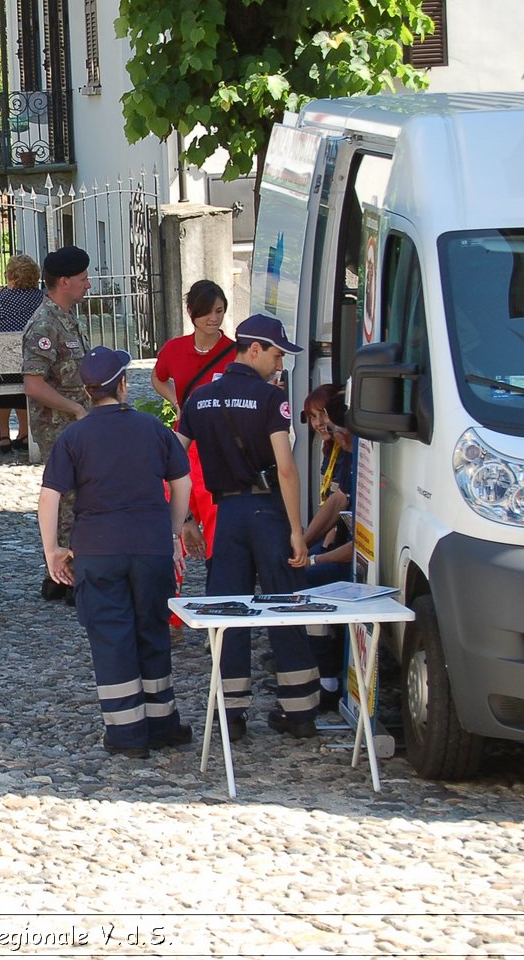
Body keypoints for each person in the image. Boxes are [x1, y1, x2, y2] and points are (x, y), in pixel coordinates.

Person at [40, 347, 194, 757]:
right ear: (123, 384)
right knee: (152, 631)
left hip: (98, 549)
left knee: (111, 637)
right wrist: (174, 530)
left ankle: (127, 735)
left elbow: (50, 496)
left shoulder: (74, 436)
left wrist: (52, 550)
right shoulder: (153, 430)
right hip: (150, 546)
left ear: (88, 391)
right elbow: (182, 483)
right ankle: (162, 724)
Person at [173, 313, 318, 740]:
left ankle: (230, 712)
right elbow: (286, 469)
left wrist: (185, 520)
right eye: (276, 355)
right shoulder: (272, 400)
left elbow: (175, 462)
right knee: (285, 609)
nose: (280, 365)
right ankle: (300, 711)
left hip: (227, 518)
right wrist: (296, 529)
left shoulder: (199, 399)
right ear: (253, 349)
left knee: (227, 614)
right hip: (269, 513)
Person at [21, 245, 92, 603]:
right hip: (60, 428)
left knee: (74, 498)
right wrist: (75, 409)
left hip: (75, 427)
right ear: (64, 282)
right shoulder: (45, 323)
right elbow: (33, 383)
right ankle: (68, 577)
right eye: (82, 279)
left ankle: (60, 575)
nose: (88, 285)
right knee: (68, 499)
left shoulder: (66, 317)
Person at [151, 279, 234, 562]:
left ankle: (217, 569)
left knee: (214, 509)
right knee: (174, 500)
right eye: (207, 312)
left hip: (220, 443)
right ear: (191, 313)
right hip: (185, 438)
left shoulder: (235, 352)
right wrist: (176, 401)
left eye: (219, 311)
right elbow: (158, 377)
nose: (214, 318)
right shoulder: (175, 348)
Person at [300, 384, 356, 708]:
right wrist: (303, 544)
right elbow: (336, 504)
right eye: (315, 418)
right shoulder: (342, 454)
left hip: (353, 560)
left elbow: (357, 542)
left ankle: (327, 681)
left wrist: (314, 560)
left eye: (327, 419)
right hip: (338, 547)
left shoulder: (359, 459)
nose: (323, 426)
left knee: (306, 583)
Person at [0, 255, 44, 454]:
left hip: (3, 367)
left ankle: (4, 436)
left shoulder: (3, 299)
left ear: (11, 276)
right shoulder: (41, 298)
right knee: (24, 382)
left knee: (2, 378)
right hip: (32, 364)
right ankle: (23, 433)